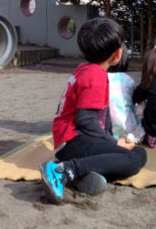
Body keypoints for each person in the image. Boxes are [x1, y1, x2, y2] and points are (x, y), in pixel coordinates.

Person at [40, 18, 147, 204]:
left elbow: (99, 120)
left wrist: (111, 143)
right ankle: (65, 170)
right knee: (133, 160)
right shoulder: (95, 76)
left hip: (71, 140)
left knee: (138, 154)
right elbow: (86, 121)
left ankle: (80, 174)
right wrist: (113, 142)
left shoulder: (86, 69)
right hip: (73, 141)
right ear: (117, 53)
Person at [107, 43, 146, 143]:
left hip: (105, 131)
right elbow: (134, 103)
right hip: (128, 130)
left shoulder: (99, 78)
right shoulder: (128, 80)